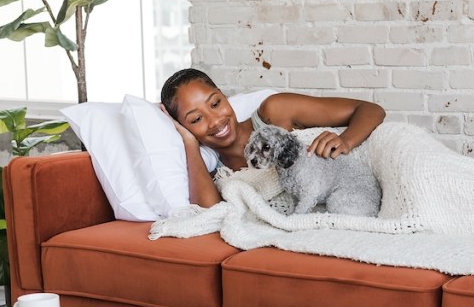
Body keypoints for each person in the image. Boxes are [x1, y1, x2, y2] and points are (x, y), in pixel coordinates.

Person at [160, 68, 386, 208]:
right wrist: (190, 143)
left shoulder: (274, 112)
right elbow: (210, 212)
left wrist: (346, 140)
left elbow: (370, 109)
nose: (215, 120)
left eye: (216, 103)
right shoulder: (214, 168)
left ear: (223, 94)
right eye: (196, 119)